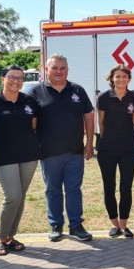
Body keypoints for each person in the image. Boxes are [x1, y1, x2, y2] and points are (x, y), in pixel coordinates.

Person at [27, 54, 94, 242]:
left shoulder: (77, 90)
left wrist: (89, 144)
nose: (59, 71)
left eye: (63, 68)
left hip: (74, 151)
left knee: (74, 189)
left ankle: (76, 226)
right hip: (48, 152)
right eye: (54, 68)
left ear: (68, 70)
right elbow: (29, 122)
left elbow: (89, 116)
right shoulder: (35, 92)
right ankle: (56, 224)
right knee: (53, 190)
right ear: (46, 69)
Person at [0, 65, 40, 255]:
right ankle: (2, 238)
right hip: (4, 156)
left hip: (28, 155)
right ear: (3, 78)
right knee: (13, 196)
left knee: (21, 197)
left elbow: (33, 126)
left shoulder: (29, 101)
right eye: (12, 77)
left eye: (20, 78)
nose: (16, 81)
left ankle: (11, 237)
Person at [97, 65, 134, 239]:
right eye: (117, 77)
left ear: (129, 79)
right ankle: (114, 224)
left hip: (128, 148)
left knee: (126, 187)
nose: (121, 80)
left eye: (124, 76)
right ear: (112, 79)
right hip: (107, 149)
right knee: (109, 187)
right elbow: (101, 123)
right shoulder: (104, 98)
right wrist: (104, 143)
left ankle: (124, 224)